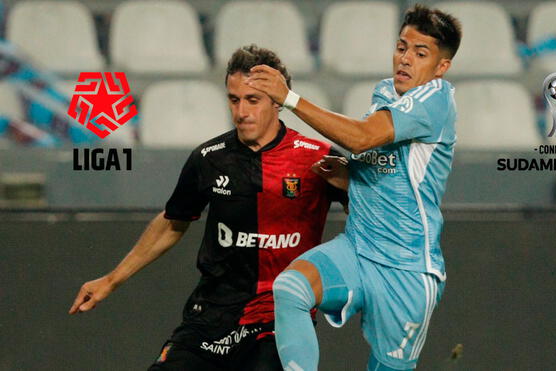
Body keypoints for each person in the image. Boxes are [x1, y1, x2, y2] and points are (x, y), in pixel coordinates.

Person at [68, 45, 347, 371]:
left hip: (278, 316)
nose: (241, 111)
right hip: (210, 315)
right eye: (234, 99)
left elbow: (371, 215)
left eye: (252, 100)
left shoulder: (318, 158)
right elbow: (173, 222)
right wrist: (112, 280)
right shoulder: (209, 158)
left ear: (277, 102)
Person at [246, 5, 461, 370]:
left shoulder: (435, 100)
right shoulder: (385, 93)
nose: (405, 59)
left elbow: (363, 138)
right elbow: (390, 163)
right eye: (401, 47)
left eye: (420, 53)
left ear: (441, 67)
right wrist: (349, 174)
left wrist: (291, 99)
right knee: (290, 289)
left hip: (406, 272)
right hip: (359, 248)